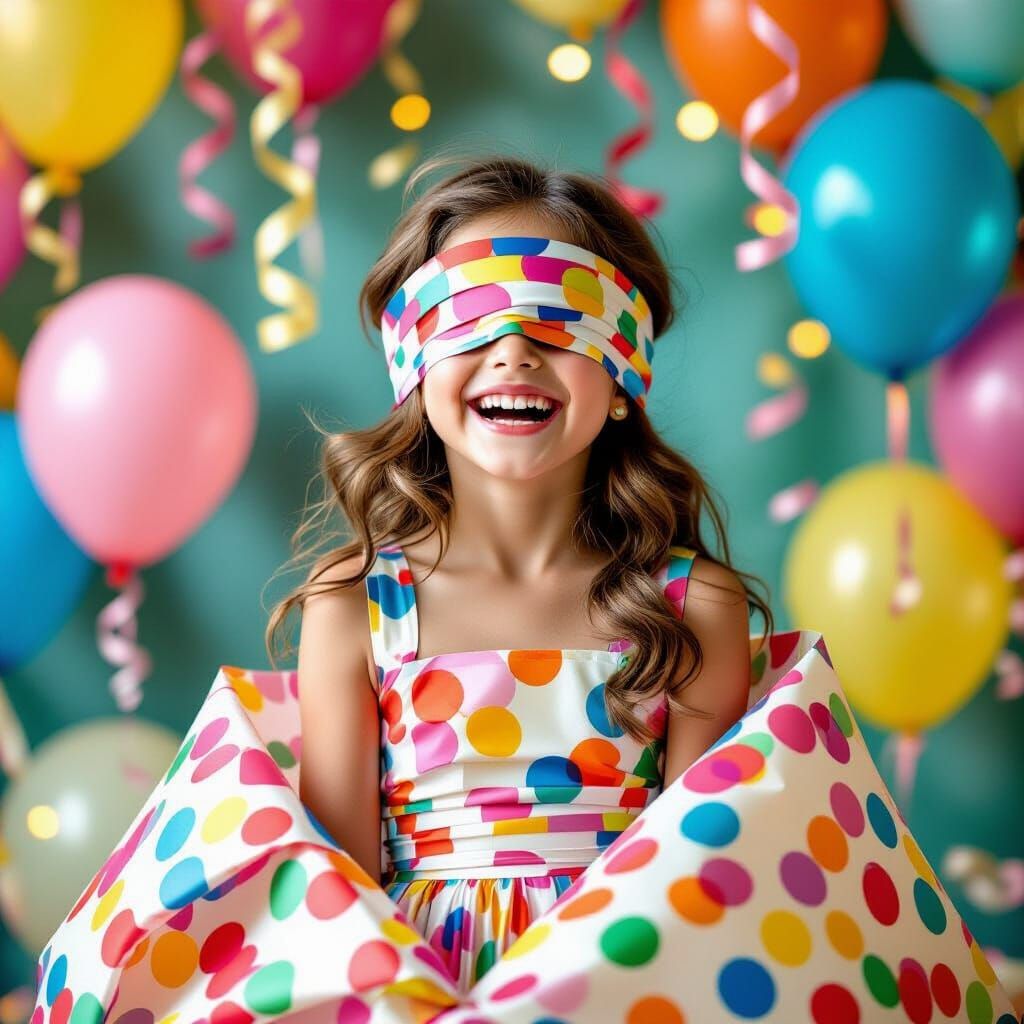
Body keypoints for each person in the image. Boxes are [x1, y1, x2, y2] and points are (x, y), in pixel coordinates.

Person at [267, 152, 773, 993]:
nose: (511, 351)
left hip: (627, 989)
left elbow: (701, 890)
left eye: (555, 320)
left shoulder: (691, 609)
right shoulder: (354, 604)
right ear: (415, 362)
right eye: (469, 318)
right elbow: (338, 906)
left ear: (621, 376)